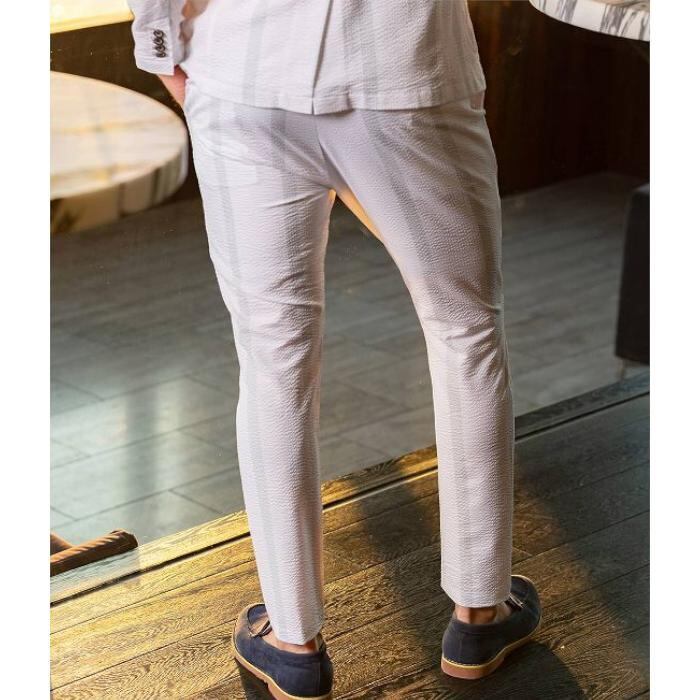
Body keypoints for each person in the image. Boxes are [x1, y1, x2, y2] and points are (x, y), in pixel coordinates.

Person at [126, 1, 541, 697]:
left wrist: (165, 49)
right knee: (464, 331)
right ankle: (479, 613)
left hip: (242, 70)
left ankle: (293, 642)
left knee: (273, 357)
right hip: (404, 66)